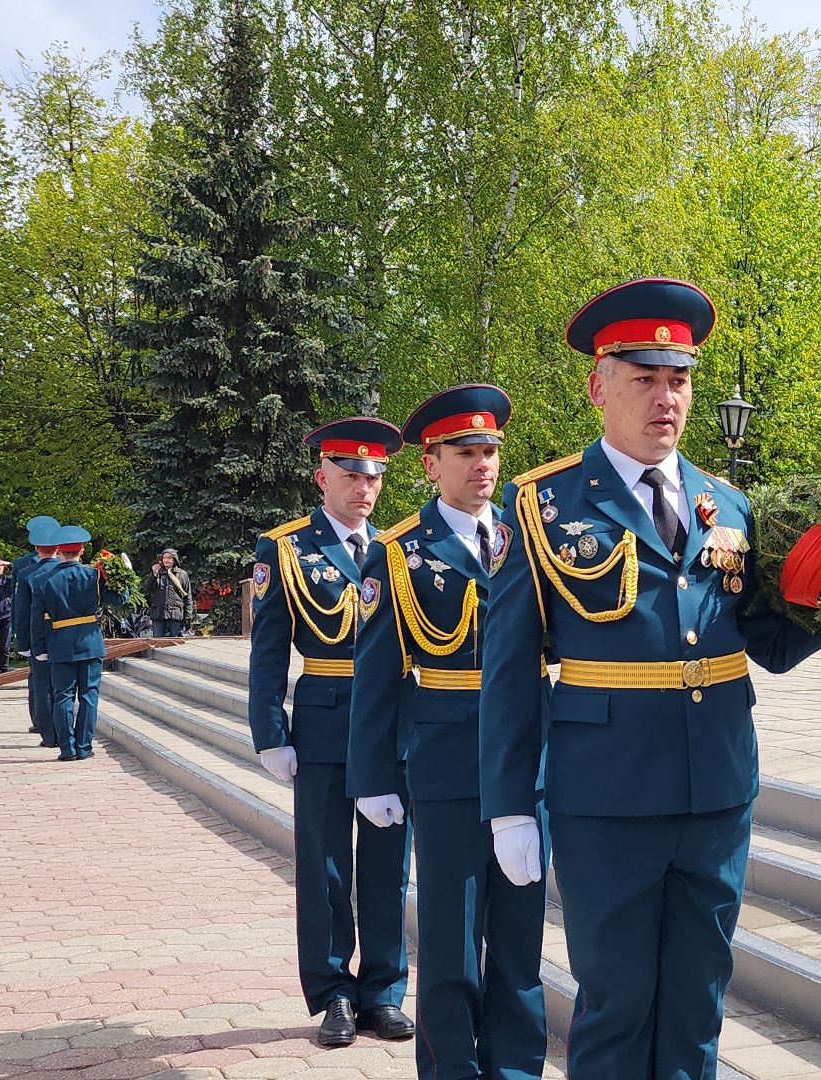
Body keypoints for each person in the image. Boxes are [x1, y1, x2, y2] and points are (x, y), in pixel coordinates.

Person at [482, 278, 821, 1079]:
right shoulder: (541, 506)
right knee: (614, 1006)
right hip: (604, 798)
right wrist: (509, 805)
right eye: (643, 378)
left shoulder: (730, 506)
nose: (664, 398)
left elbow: (769, 644)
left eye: (677, 379)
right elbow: (508, 671)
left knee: (696, 1004)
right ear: (598, 386)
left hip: (715, 791)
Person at [350, 386, 545, 1080]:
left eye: (490, 450)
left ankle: (517, 1070)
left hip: (527, 757)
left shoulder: (532, 538)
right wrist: (371, 777)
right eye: (466, 452)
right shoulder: (399, 552)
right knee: (452, 940)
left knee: (522, 942)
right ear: (430, 463)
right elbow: (374, 677)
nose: (483, 464)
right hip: (449, 760)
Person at [247, 419, 415, 1052]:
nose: (364, 488)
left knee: (387, 861)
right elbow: (268, 650)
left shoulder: (398, 551)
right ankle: (333, 992)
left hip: (388, 725)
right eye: (351, 475)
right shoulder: (286, 549)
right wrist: (270, 729)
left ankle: (384, 991)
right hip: (320, 720)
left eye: (373, 477)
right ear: (323, 478)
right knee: (323, 865)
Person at [31, 525, 126, 760]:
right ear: (82, 550)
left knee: (62, 695)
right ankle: (84, 747)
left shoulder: (42, 580)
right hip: (90, 642)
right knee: (88, 695)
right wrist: (125, 574)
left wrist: (39, 648)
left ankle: (67, 749)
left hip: (59, 643)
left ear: (59, 551)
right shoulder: (93, 575)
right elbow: (120, 599)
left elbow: (36, 619)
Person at [11, 516, 63, 745]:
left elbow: (21, 607)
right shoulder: (22, 565)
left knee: (43, 684)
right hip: (58, 632)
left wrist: (22, 641)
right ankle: (47, 724)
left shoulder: (29, 570)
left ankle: (49, 731)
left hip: (41, 630)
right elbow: (18, 604)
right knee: (45, 683)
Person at [146, 549, 193, 637]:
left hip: (175, 613)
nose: (166, 560)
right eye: (164, 558)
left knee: (175, 642)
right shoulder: (158, 572)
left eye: (169, 558)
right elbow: (148, 589)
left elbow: (187, 596)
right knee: (158, 642)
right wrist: (154, 575)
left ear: (174, 560)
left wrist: (188, 616)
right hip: (159, 612)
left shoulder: (182, 574)